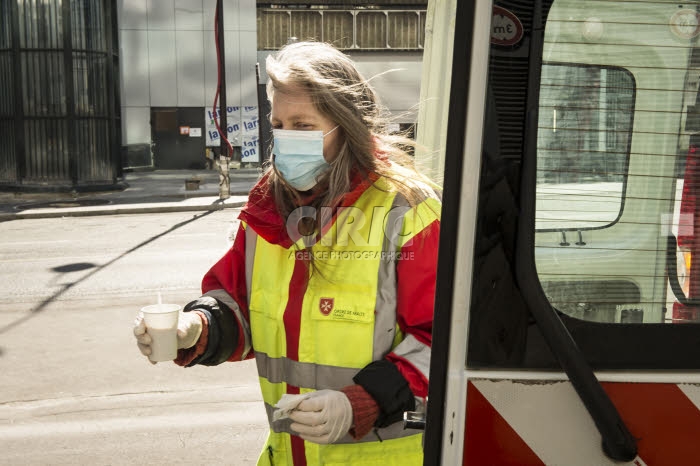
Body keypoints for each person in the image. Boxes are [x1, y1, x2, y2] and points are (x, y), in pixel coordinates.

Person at [133, 41, 441, 466]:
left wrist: (363, 401)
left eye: (303, 124)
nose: (286, 138)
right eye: (278, 123)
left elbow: (445, 341)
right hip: (289, 454)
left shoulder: (406, 209)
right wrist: (196, 327)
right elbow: (239, 305)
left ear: (344, 126)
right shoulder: (269, 205)